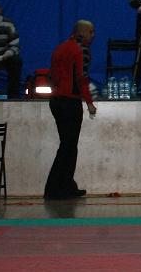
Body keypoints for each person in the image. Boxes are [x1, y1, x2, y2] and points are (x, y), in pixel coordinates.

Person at [44, 20, 97, 199]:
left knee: (66, 145)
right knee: (69, 147)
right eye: (91, 32)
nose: (93, 35)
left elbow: (52, 75)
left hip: (56, 100)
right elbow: (81, 78)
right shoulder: (81, 50)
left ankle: (64, 185)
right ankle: (56, 187)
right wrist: (89, 103)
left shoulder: (60, 48)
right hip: (70, 102)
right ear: (82, 33)